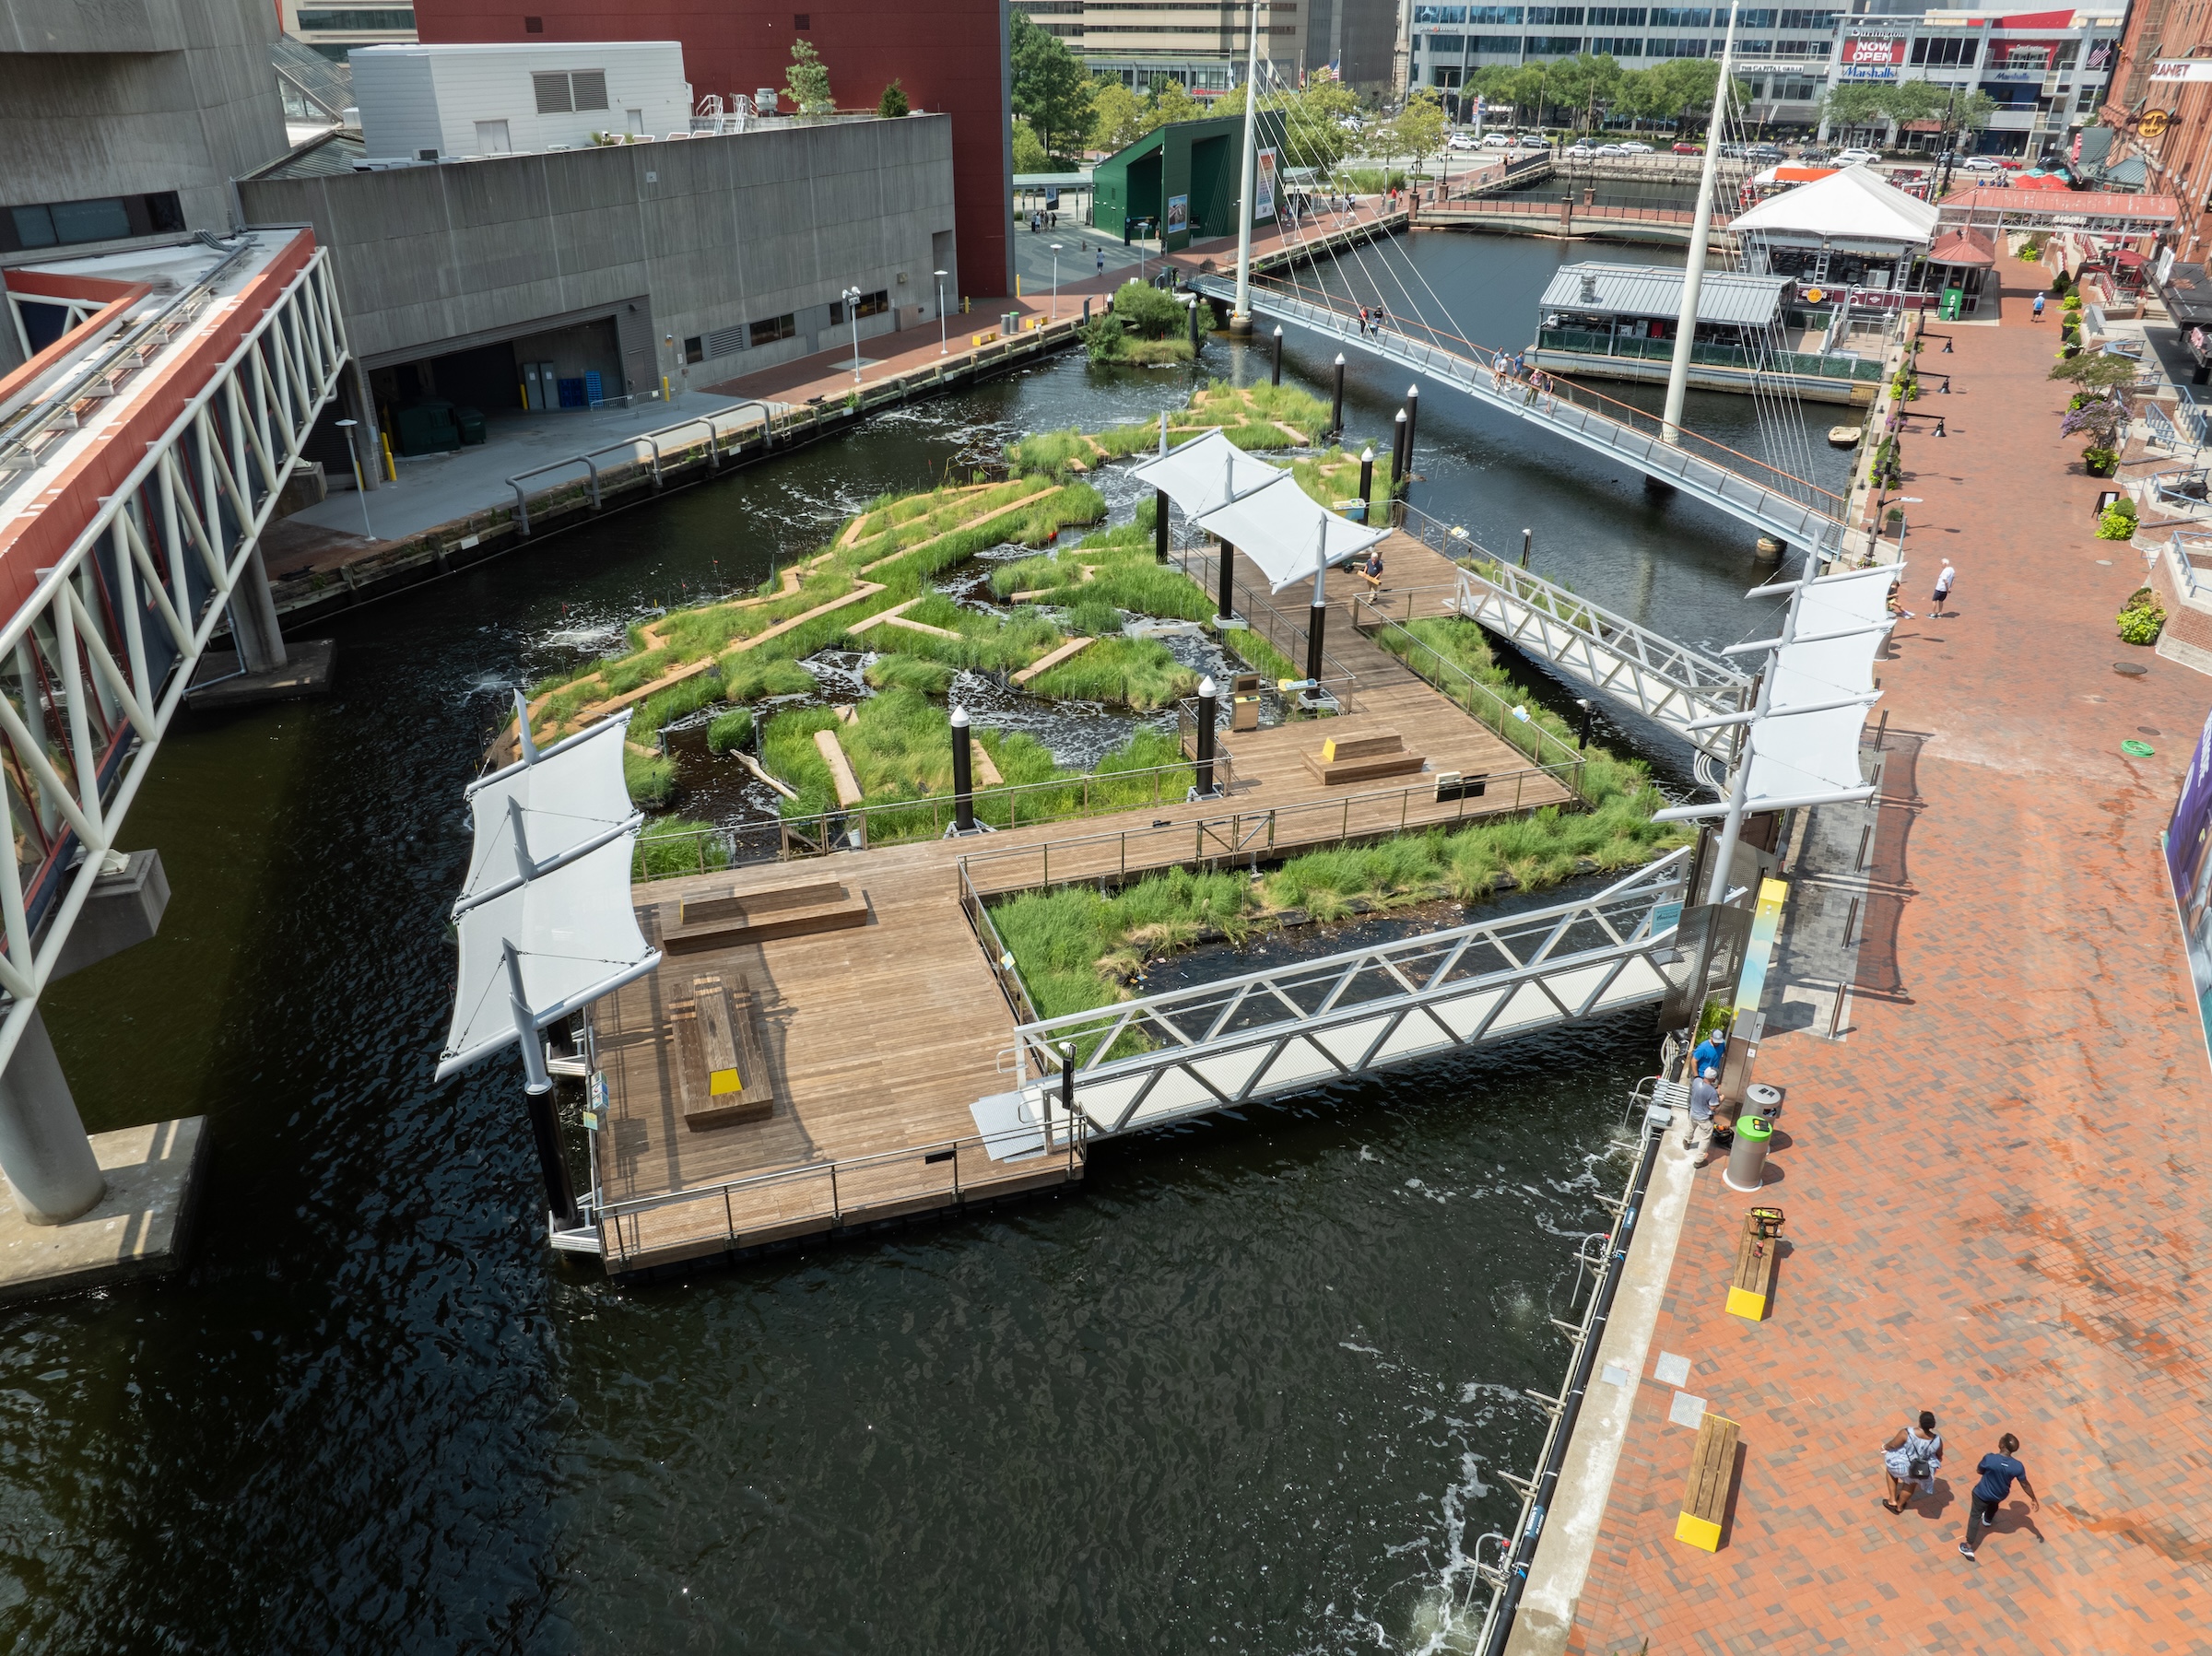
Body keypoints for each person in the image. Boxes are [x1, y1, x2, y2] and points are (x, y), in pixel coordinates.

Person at [1959, 1433, 2038, 1559]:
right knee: (1994, 1504)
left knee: (1975, 1516)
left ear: (2002, 1444)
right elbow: (2024, 1484)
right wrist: (2033, 1498)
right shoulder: (2017, 1466)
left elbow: (1979, 1470)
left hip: (1982, 1493)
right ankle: (1988, 1519)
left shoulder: (1990, 1459)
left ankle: (1968, 1546)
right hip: (2000, 1494)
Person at [1883, 1411, 1944, 1514]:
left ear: (1920, 1422)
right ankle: (1899, 1506)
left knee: (1890, 1471)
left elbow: (1894, 1445)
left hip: (1903, 1464)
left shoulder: (1907, 1432)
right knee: (1911, 1483)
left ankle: (1892, 1500)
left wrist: (1885, 1447)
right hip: (1920, 1468)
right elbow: (1939, 1455)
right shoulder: (1937, 1440)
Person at [1685, 1067, 1719, 1163]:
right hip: (1705, 1118)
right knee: (1705, 1139)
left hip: (1693, 1113)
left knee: (1690, 1128)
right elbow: (1713, 1107)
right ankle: (1699, 1161)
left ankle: (1687, 1142)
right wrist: (1721, 1099)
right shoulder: (1712, 1092)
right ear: (1713, 1078)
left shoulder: (1696, 1081)